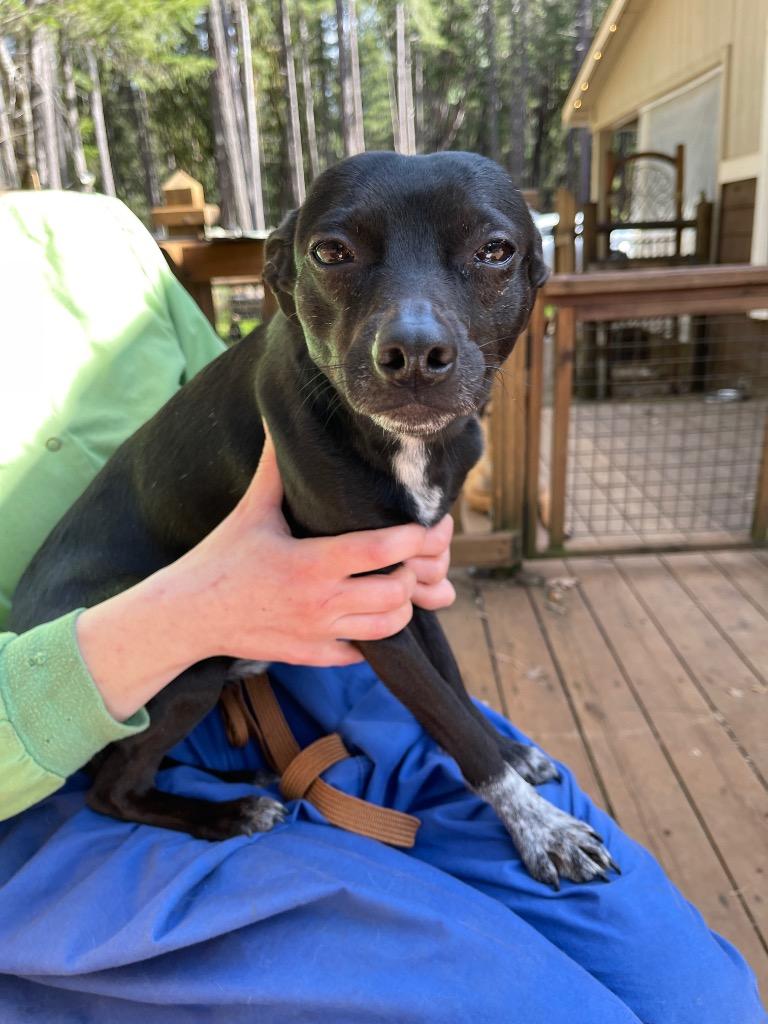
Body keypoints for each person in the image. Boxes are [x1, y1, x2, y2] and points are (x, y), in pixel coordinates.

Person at [0, 190, 764, 1024]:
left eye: (491, 255)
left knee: (705, 1001)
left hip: (297, 668)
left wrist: (386, 554)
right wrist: (193, 615)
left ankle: (489, 762)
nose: (414, 336)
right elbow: (365, 605)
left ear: (535, 276)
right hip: (57, 767)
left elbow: (246, 447)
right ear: (288, 277)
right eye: (337, 254)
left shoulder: (92, 230)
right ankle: (140, 793)